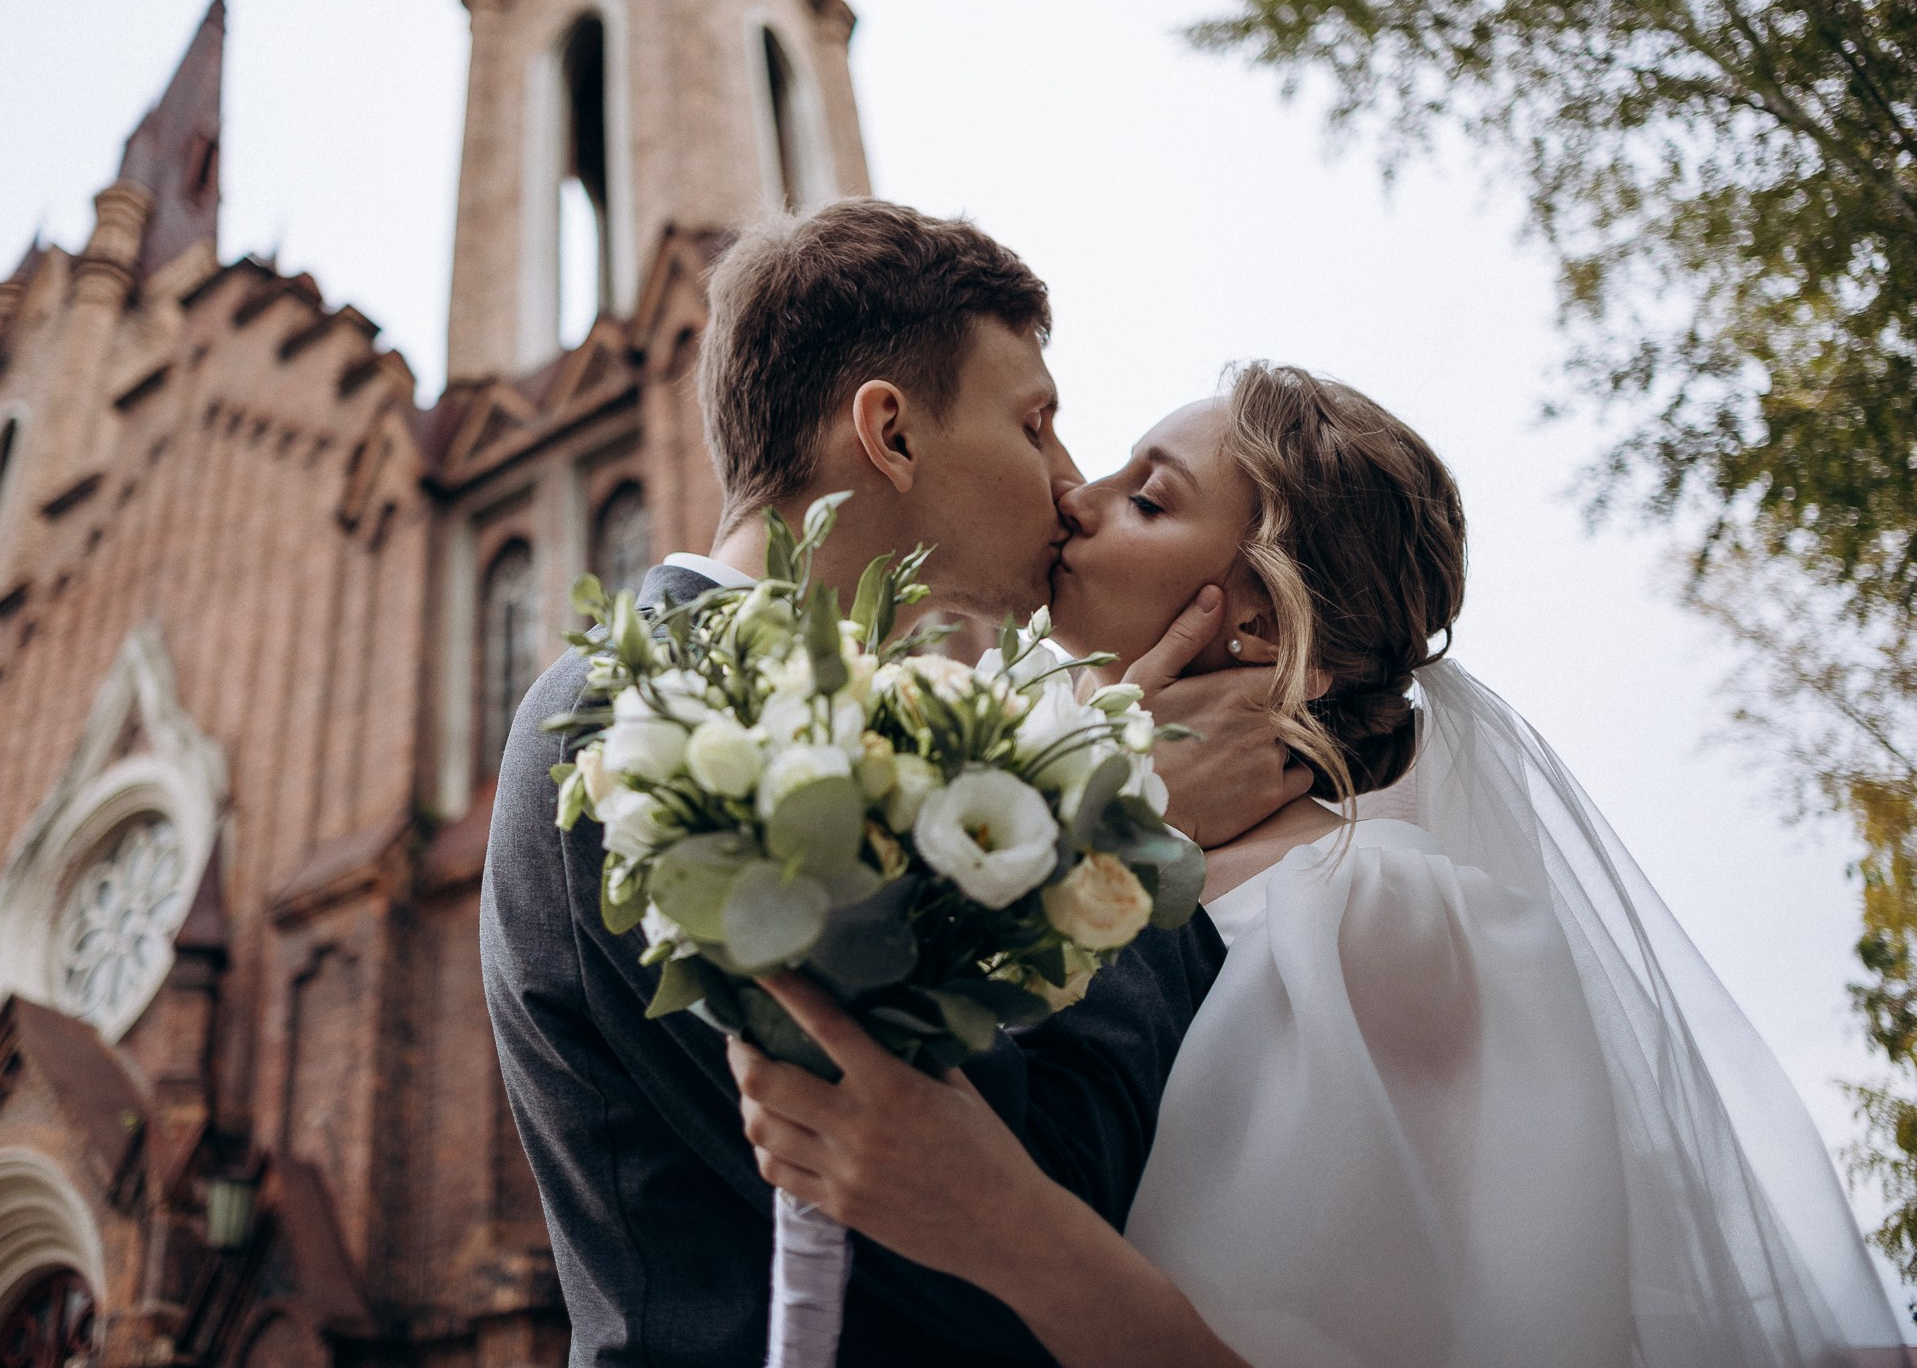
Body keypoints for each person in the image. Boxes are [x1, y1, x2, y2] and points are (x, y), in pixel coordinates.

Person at [731, 363, 1903, 1367]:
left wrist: (1000, 1220)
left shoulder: (1382, 916)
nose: (1073, 498)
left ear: (1262, 620)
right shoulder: (1043, 864)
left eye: (1147, 498)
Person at [480, 201, 1306, 1366]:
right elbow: (1008, 1214)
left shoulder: (880, 724)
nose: (1071, 484)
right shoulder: (643, 719)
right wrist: (1136, 832)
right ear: (892, 432)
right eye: (1035, 424)